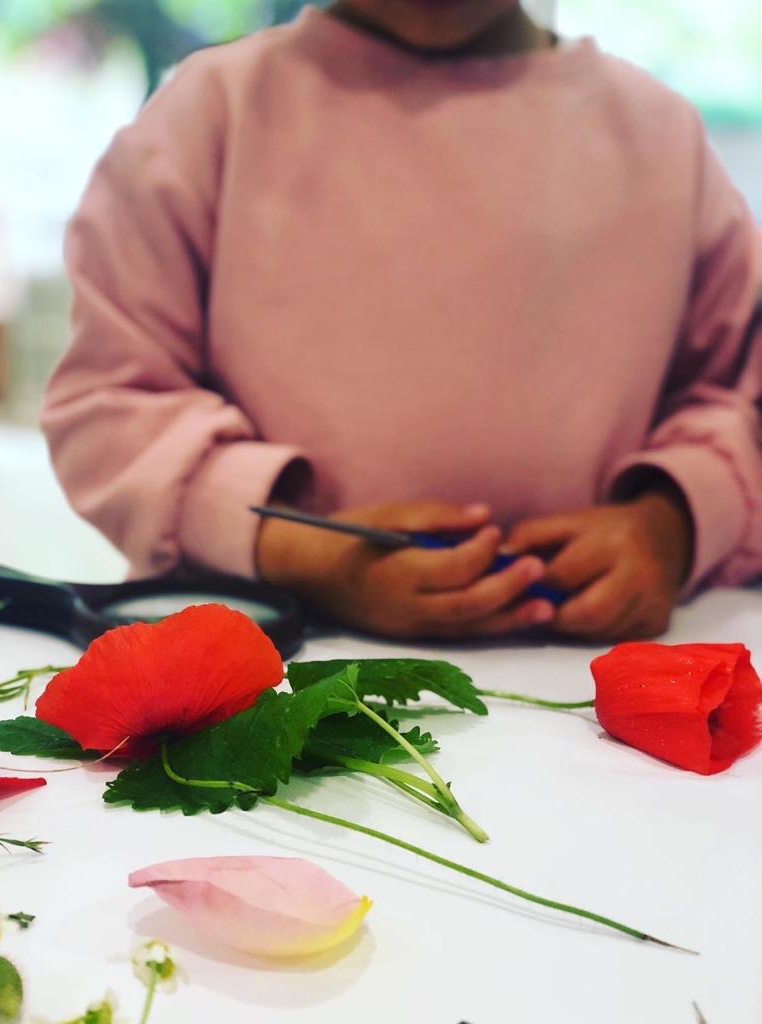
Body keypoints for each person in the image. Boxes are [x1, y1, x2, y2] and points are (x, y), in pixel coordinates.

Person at [42, 0, 762, 643]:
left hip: (599, 684)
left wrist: (671, 522)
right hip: (269, 665)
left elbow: (737, 398)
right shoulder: (211, 114)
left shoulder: (661, 136)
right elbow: (112, 407)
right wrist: (298, 550)